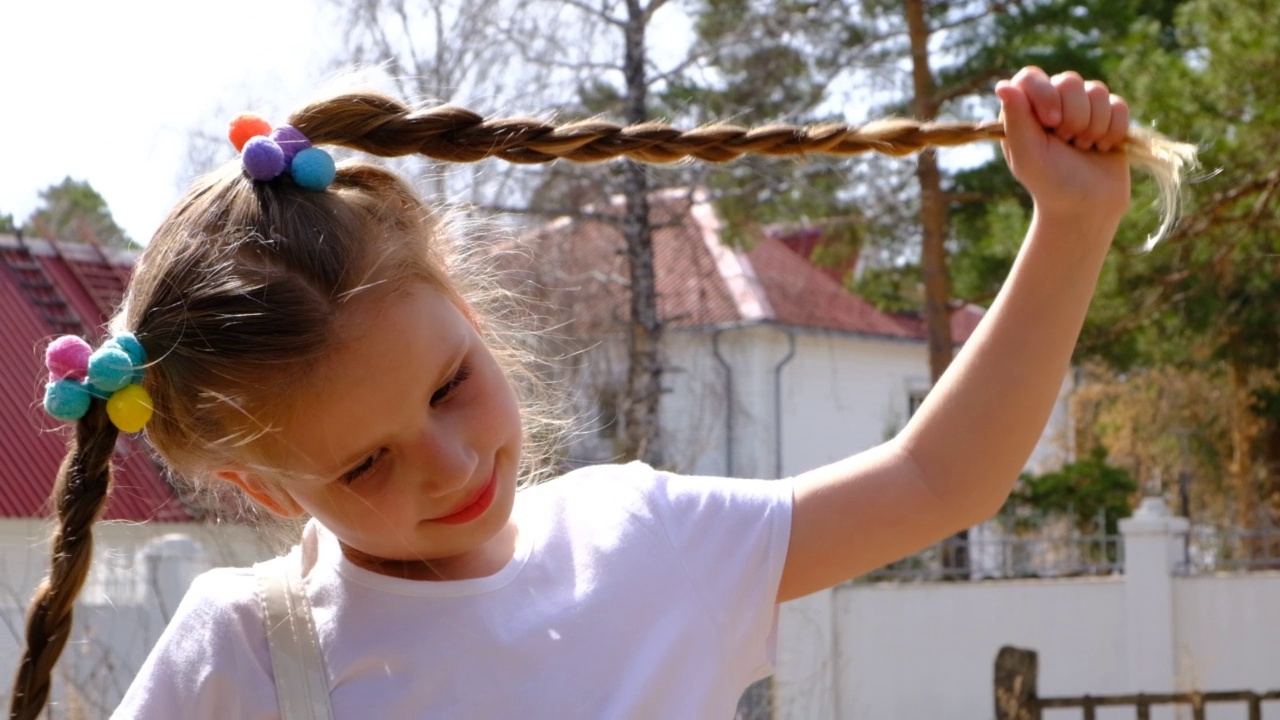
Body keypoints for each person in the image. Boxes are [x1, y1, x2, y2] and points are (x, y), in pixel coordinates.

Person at [10, 66, 1193, 719]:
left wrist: (1073, 224)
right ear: (255, 486)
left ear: (471, 320)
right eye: (364, 465)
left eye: (450, 387)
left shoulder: (643, 541)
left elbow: (938, 478)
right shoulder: (245, 656)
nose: (450, 464)